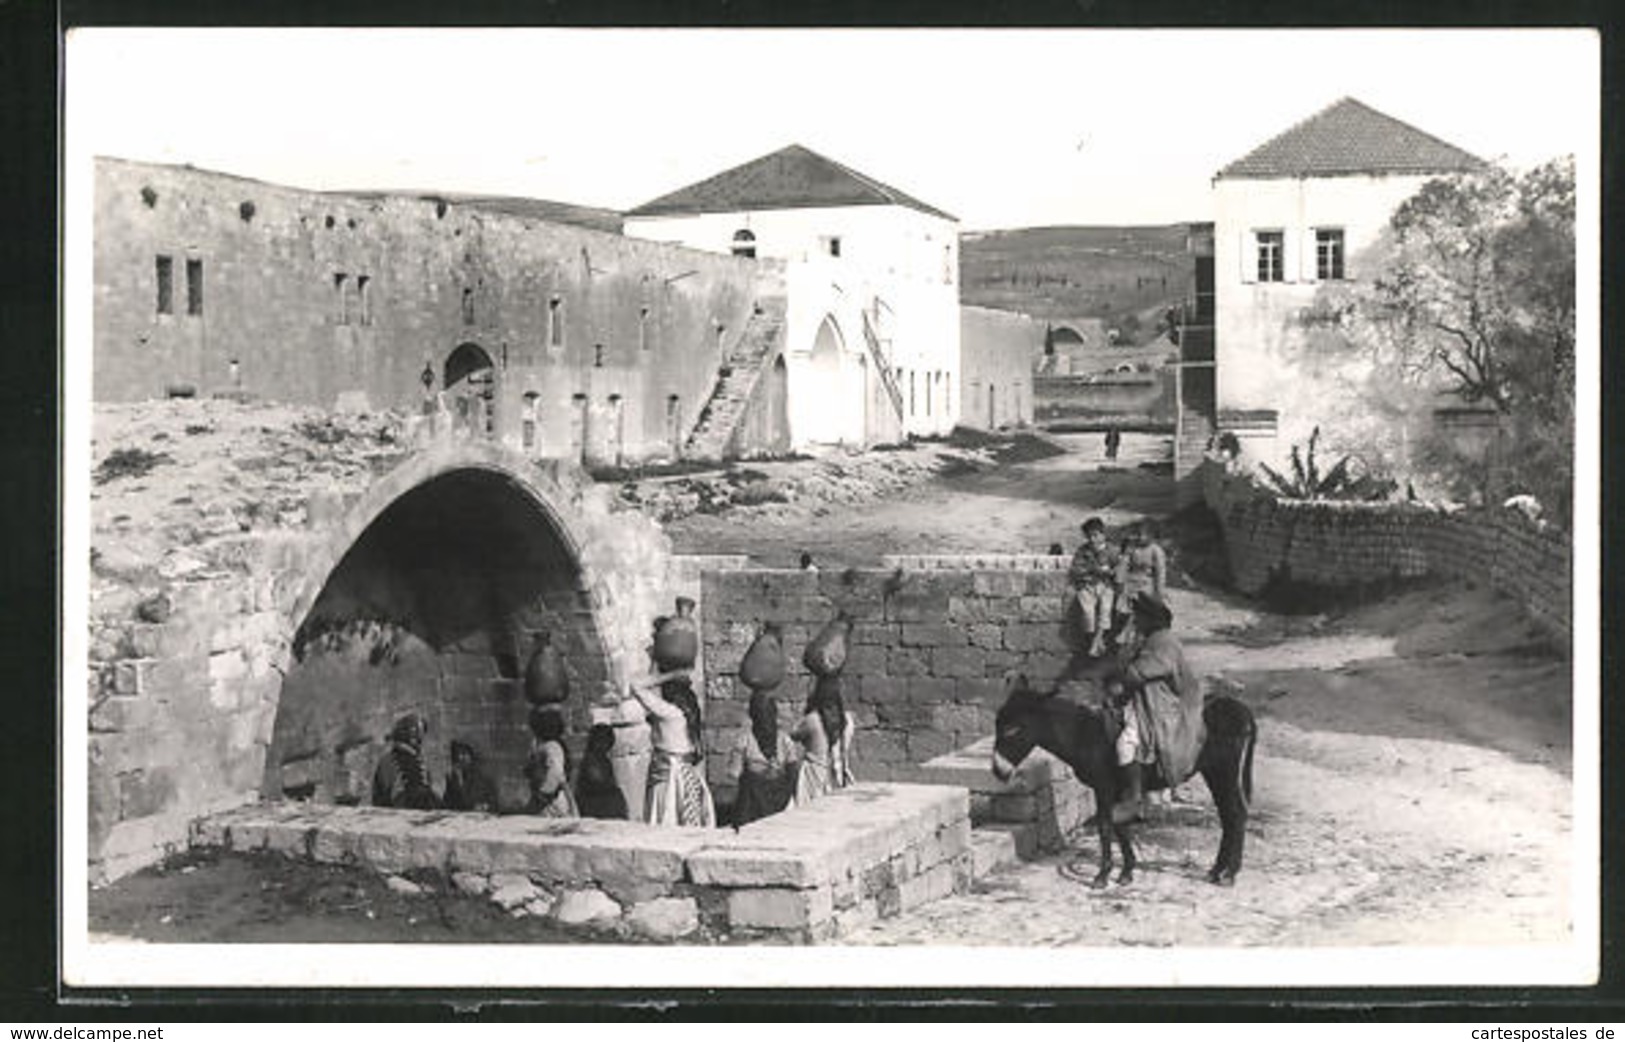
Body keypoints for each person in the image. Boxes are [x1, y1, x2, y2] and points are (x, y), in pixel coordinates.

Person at [1106, 592, 1206, 825]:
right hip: (1149, 698)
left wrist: (1121, 678)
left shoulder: (1163, 641)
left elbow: (1143, 671)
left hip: (1162, 705)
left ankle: (1133, 798)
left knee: (1126, 743)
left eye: (1139, 618)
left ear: (1151, 619)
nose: (1137, 622)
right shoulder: (1153, 638)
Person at [629, 663, 717, 827]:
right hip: (687, 775)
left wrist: (669, 674)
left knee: (665, 820)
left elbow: (636, 685)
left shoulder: (668, 712)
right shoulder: (690, 713)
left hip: (669, 777)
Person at [727, 689, 800, 826]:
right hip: (772, 806)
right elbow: (793, 774)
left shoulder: (745, 740)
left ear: (752, 716)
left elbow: (733, 774)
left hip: (758, 809)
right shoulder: (785, 740)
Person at [793, 674, 855, 805]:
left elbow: (794, 734)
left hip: (814, 776)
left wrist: (808, 708)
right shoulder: (848, 720)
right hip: (838, 774)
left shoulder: (812, 720)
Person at [1068, 517, 1121, 658]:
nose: (1092, 539)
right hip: (1087, 585)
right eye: (1089, 536)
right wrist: (1093, 570)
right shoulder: (1083, 551)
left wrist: (1111, 572)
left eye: (1095, 535)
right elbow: (1076, 569)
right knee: (1088, 612)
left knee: (1105, 609)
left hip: (1106, 585)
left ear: (1103, 534)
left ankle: (1097, 640)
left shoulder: (1113, 550)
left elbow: (1119, 568)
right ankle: (1094, 640)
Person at [1113, 520, 1168, 642]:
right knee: (1122, 607)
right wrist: (1119, 581)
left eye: (1145, 534)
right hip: (1131, 581)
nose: (1141, 537)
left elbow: (1160, 573)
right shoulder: (1132, 548)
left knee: (1145, 609)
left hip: (1147, 583)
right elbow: (1124, 564)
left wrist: (1159, 592)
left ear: (1152, 536)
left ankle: (1143, 635)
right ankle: (1121, 633)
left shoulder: (1156, 551)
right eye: (1139, 534)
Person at [372, 713, 439, 810]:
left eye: (420, 733)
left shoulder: (420, 759)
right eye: (415, 733)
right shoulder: (389, 760)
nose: (419, 738)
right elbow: (390, 795)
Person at [524, 708, 578, 819]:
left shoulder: (552, 747)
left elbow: (556, 773)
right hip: (544, 796)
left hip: (552, 800)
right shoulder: (539, 745)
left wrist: (544, 794)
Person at [574, 723, 629, 820]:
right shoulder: (591, 759)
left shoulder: (603, 759)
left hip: (601, 801)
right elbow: (597, 781)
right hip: (594, 802)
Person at [442, 739, 499, 813]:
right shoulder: (453, 780)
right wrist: (458, 783)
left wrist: (485, 806)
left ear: (471, 757)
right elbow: (447, 805)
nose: (460, 758)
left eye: (464, 754)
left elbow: (493, 804)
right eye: (458, 754)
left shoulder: (483, 780)